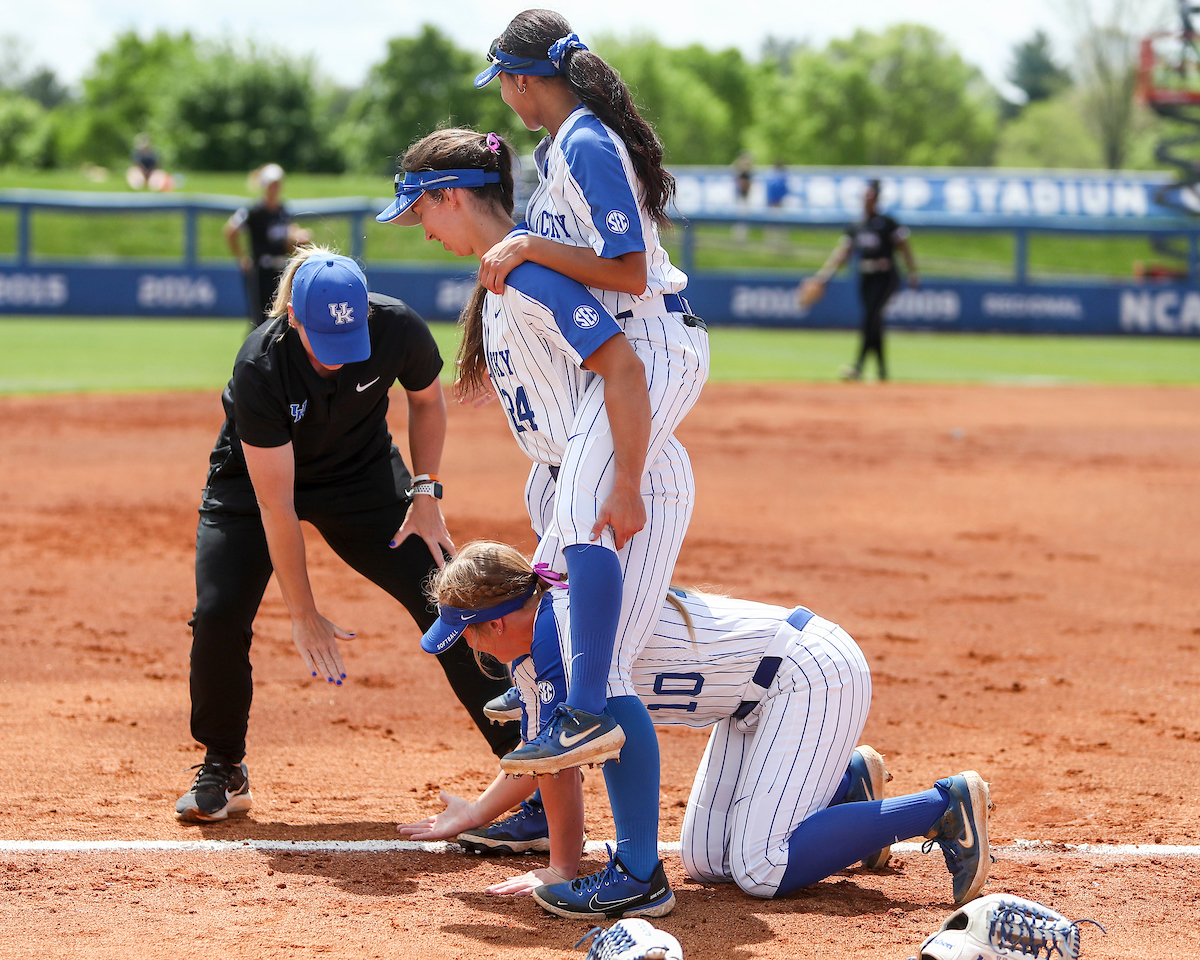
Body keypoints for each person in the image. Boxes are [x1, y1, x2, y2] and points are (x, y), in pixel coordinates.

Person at [377, 121, 707, 915]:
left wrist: (621, 481)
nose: (421, 229)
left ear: (452, 196)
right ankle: (558, 838)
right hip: (568, 480)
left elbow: (624, 369)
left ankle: (636, 872)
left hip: (623, 483)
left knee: (605, 674)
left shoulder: (530, 275)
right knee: (550, 666)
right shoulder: (507, 276)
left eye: (422, 211)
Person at [400, 541, 994, 917]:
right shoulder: (532, 655)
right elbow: (545, 763)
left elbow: (562, 767)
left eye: (471, 631)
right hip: (748, 708)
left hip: (809, 674)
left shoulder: (567, 629)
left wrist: (559, 870)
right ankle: (843, 788)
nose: (471, 646)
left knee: (762, 869)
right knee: (707, 861)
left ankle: (943, 805)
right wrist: (477, 814)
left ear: (502, 619)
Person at [175, 247, 520, 823]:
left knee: (446, 597)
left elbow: (427, 400)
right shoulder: (261, 365)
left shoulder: (396, 326)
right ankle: (224, 766)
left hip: (362, 477)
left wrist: (426, 492)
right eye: (322, 343)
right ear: (292, 317)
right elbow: (277, 508)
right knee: (217, 611)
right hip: (254, 484)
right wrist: (303, 611)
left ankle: (523, 762)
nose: (338, 359)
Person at [803, 179, 919, 381]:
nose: (867, 201)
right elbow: (842, 254)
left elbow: (904, 247)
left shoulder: (887, 223)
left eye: (871, 197)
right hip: (866, 277)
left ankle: (858, 367)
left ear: (877, 199)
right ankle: (882, 371)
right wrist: (824, 276)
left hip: (886, 276)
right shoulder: (857, 226)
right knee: (874, 321)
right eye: (865, 197)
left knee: (871, 318)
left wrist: (912, 272)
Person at [224, 164, 312, 328]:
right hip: (261, 269)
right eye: (272, 184)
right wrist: (242, 258)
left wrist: (298, 238)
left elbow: (288, 241)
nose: (275, 188)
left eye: (278, 184)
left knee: (281, 316)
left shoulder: (283, 211)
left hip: (281, 269)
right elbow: (230, 231)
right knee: (261, 317)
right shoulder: (254, 211)